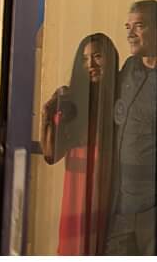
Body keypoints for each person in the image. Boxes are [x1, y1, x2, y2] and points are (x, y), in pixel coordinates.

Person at [41, 33, 118, 255]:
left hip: (110, 193)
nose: (91, 64)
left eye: (97, 57)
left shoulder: (120, 96)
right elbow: (51, 155)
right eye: (84, 59)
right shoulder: (72, 101)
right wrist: (47, 114)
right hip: (77, 195)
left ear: (109, 59)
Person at [104, 2, 157, 256]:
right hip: (120, 206)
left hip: (153, 208)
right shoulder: (128, 69)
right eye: (128, 27)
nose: (129, 34)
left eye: (138, 26)